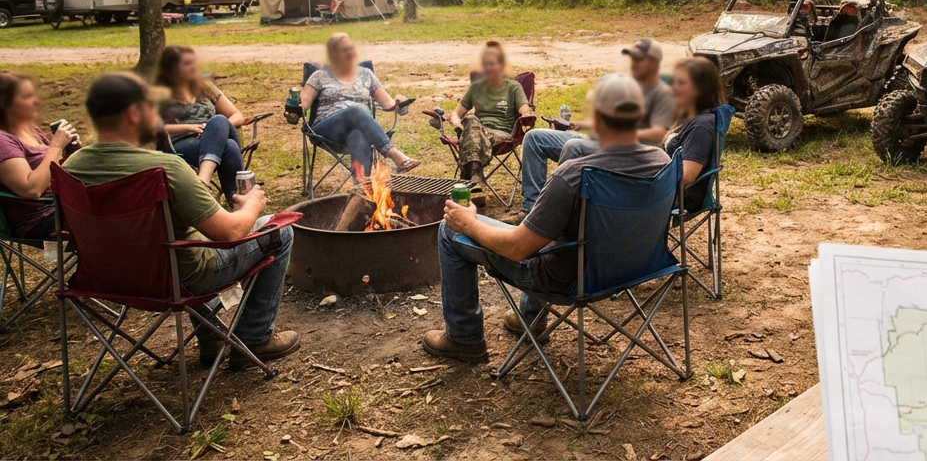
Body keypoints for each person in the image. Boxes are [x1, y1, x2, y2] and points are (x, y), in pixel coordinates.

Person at [423, 73, 671, 362]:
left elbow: (517, 248)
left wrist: (468, 223)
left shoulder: (573, 176)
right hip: (633, 268)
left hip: (571, 281)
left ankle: (463, 338)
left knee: (449, 230)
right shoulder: (663, 163)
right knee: (553, 236)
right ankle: (529, 320)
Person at [63, 73, 300, 367]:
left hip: (106, 279)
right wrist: (251, 204)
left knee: (191, 237)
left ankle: (211, 337)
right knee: (280, 230)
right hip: (175, 281)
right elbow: (231, 232)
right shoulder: (166, 169)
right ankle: (255, 339)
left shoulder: (69, 168)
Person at [516, 38, 674, 220]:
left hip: (629, 151)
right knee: (535, 137)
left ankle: (555, 216)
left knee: (574, 146)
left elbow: (658, 134)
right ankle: (531, 209)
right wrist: (577, 125)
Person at [300, 33, 418, 178]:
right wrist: (296, 107)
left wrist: (400, 104)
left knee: (358, 135)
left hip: (359, 129)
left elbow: (388, 103)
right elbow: (304, 101)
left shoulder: (366, 74)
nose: (350, 52)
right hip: (327, 129)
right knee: (355, 111)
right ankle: (394, 154)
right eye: (345, 50)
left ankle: (362, 186)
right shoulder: (319, 76)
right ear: (333, 55)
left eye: (351, 48)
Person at [156, 45, 253, 203]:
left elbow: (237, 115)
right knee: (229, 146)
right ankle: (237, 201)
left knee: (219, 121)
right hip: (177, 144)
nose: (194, 67)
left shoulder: (204, 87)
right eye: (187, 63)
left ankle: (204, 182)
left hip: (210, 138)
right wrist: (187, 127)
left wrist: (217, 131)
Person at [0, 71, 79, 239]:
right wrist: (56, 146)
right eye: (27, 96)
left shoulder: (31, 130)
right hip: (42, 219)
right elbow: (31, 189)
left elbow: (54, 170)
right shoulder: (2, 140)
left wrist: (69, 151)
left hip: (66, 207)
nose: (37, 101)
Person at [448, 41, 533, 181]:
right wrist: (456, 122)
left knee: (471, 126)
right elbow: (456, 113)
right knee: (470, 120)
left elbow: (524, 108)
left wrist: (527, 115)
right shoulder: (476, 87)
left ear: (501, 65)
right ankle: (475, 172)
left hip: (502, 135)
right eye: (485, 64)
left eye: (492, 64)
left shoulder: (513, 87)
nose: (488, 68)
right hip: (476, 132)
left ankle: (469, 173)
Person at [664, 57, 726, 212]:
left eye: (681, 83)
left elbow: (687, 176)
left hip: (677, 196)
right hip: (663, 187)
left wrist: (645, 177)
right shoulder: (689, 115)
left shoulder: (701, 126)